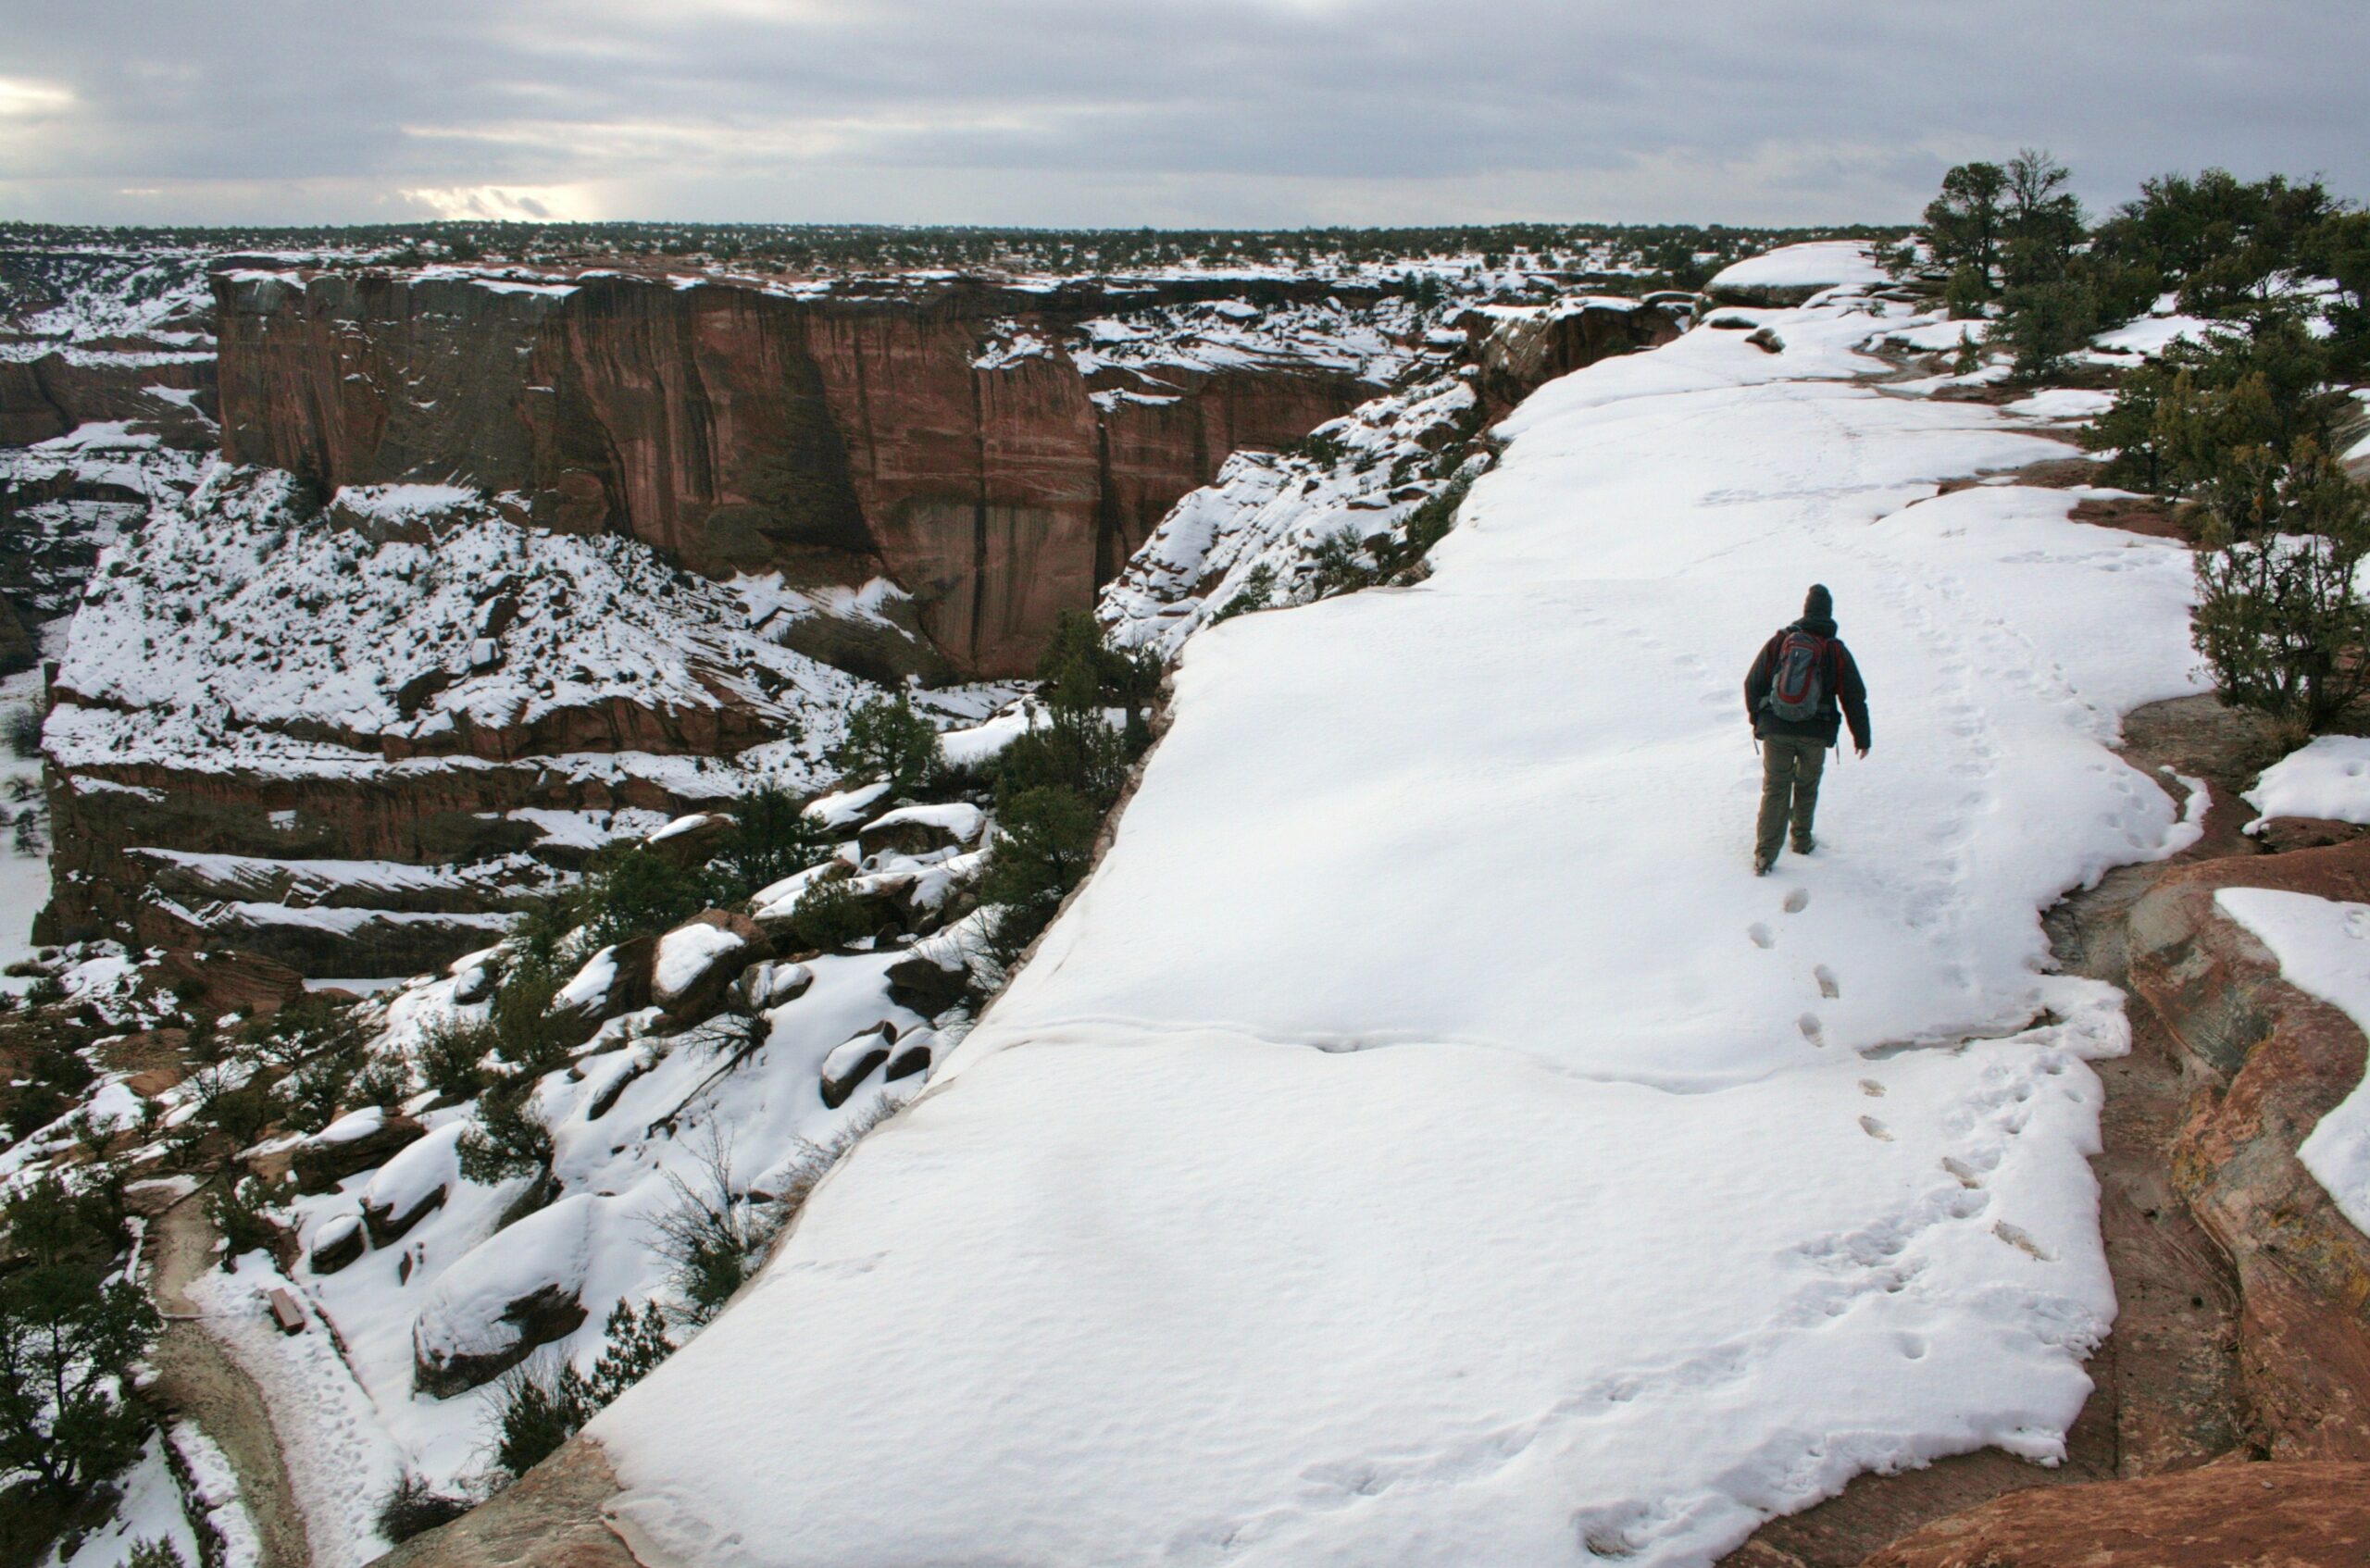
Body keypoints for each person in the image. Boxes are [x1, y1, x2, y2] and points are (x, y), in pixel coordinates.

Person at [1742, 584, 1870, 876]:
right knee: (1806, 786)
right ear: (1828, 613)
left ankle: (1765, 856)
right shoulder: (1835, 649)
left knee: (1776, 788)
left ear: (1805, 610)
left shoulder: (1781, 642)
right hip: (1816, 732)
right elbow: (1853, 696)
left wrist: (1758, 719)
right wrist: (1862, 737)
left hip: (1777, 728)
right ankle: (1801, 840)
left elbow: (1752, 682)